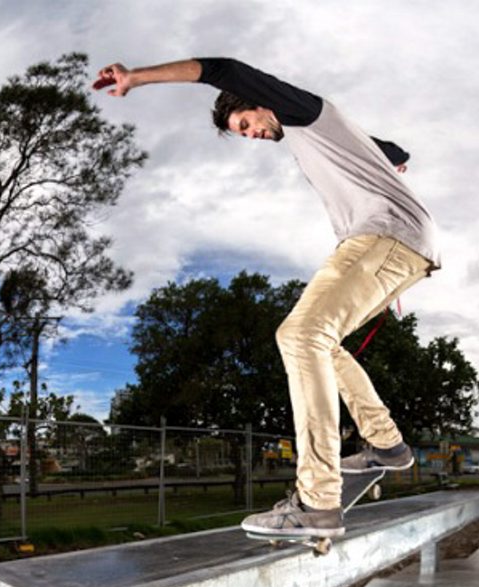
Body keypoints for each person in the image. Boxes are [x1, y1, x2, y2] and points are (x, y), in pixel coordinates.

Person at [94, 57, 440, 539]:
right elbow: (391, 149)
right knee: (325, 343)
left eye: (245, 124)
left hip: (384, 239)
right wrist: (392, 159)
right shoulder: (317, 136)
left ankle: (317, 501)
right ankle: (387, 445)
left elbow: (225, 69)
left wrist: (137, 78)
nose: (251, 135)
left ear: (260, 104)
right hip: (403, 248)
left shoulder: (303, 112)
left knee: (300, 335)